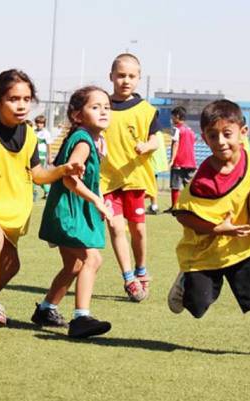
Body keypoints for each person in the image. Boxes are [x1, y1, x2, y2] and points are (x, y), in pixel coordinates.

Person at [0, 69, 84, 329]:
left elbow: (38, 175)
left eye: (26, 99)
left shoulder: (30, 135)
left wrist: (63, 169)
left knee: (11, 266)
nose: (21, 105)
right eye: (13, 99)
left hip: (9, 207)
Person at [167, 99, 250, 361]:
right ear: (204, 138)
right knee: (197, 307)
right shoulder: (203, 180)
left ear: (243, 132)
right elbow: (182, 214)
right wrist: (218, 228)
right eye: (212, 136)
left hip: (242, 246)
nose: (221, 141)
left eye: (227, 134)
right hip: (205, 252)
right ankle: (185, 280)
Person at [33, 86, 114, 338]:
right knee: (92, 259)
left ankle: (46, 309)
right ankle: (81, 318)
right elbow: (69, 179)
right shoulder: (83, 141)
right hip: (67, 212)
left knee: (74, 264)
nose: (103, 111)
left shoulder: (95, 139)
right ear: (77, 115)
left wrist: (100, 197)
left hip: (72, 210)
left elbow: (89, 179)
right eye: (95, 107)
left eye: (107, 107)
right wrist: (96, 200)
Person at [100, 53, 162, 302]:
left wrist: (147, 146)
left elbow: (156, 139)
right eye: (121, 75)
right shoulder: (101, 107)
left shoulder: (147, 110)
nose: (126, 80)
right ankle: (129, 279)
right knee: (115, 227)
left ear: (139, 78)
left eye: (131, 76)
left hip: (135, 179)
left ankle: (141, 269)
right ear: (111, 76)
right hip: (107, 180)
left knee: (138, 230)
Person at [164, 106, 197, 213]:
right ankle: (192, 207)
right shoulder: (190, 130)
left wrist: (172, 160)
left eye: (173, 116)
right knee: (189, 187)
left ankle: (175, 207)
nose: (171, 119)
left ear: (177, 116)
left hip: (179, 162)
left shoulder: (176, 129)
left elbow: (175, 143)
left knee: (175, 186)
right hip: (191, 163)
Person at [146, 131, 169, 215]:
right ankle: (154, 206)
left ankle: (153, 206)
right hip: (156, 163)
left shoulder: (151, 132)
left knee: (149, 185)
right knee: (153, 184)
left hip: (150, 162)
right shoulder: (159, 133)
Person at [33, 114, 53, 200]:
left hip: (41, 156)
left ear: (44, 124)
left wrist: (49, 157)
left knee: (36, 174)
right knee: (32, 174)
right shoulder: (33, 131)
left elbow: (49, 146)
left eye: (41, 123)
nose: (39, 124)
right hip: (33, 155)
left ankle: (44, 191)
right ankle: (43, 191)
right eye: (37, 123)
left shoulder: (46, 133)